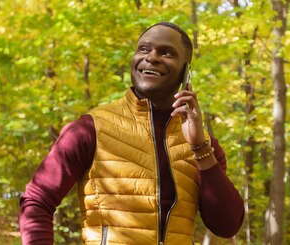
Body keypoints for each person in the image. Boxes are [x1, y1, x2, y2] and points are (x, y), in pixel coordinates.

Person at [19, 22, 244, 244]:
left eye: (166, 53)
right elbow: (37, 200)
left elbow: (227, 226)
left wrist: (200, 148)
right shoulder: (91, 128)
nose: (151, 57)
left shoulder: (204, 145)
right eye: (143, 49)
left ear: (186, 72)